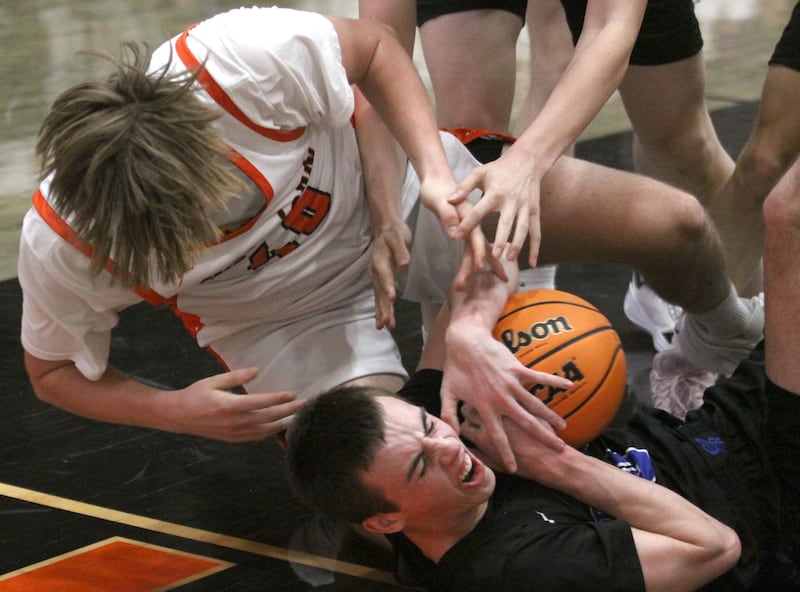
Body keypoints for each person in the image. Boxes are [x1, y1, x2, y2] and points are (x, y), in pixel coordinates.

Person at [286, 178, 800, 589]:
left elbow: (496, 233)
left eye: (426, 424)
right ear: (385, 523)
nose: (447, 444)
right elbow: (715, 546)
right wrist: (555, 463)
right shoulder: (514, 567)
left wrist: (468, 327)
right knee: (790, 212)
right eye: (422, 464)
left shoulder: (429, 430)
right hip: (776, 495)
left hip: (718, 428)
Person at [17, 6, 492, 445]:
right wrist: (175, 410)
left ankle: (469, 331)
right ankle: (438, 376)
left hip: (380, 190)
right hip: (282, 315)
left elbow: (375, 49)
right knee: (377, 466)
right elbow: (51, 372)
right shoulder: (63, 241)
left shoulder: (232, 61)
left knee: (530, 228)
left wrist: (407, 194)